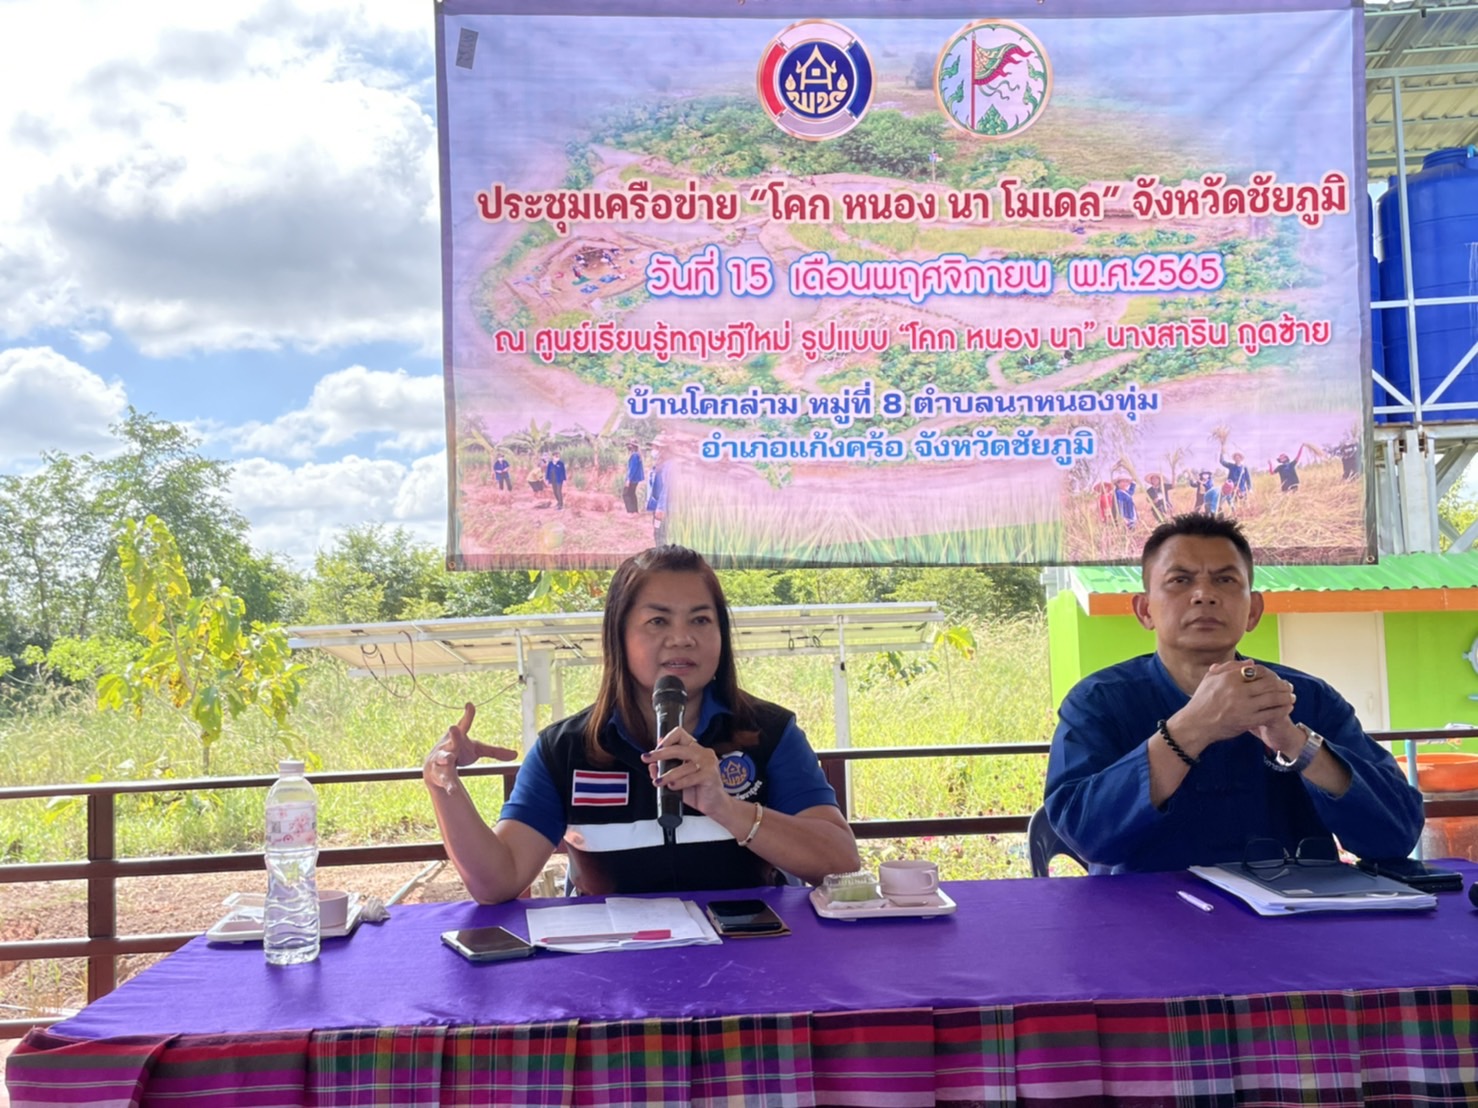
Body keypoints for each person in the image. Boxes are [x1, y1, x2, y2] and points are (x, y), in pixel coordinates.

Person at [422, 545, 860, 902]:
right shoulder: (565, 749)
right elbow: (498, 881)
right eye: (657, 620)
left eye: (701, 620)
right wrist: (444, 784)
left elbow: (839, 860)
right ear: (619, 634)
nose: (682, 637)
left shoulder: (769, 733)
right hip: (611, 978)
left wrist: (729, 809)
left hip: (751, 964)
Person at [1042, 514, 1422, 873]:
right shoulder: (1099, 701)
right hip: (1146, 926)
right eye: (1180, 580)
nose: (1204, 595)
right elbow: (1084, 834)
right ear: (1145, 610)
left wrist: (1294, 742)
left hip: (1292, 925)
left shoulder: (1306, 697)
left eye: (1225, 581)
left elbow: (1396, 834)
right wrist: (1192, 728)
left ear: (1253, 610)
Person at [646, 455, 669, 544]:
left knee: (661, 533)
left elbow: (667, 487)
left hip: (663, 507)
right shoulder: (659, 465)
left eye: (656, 447)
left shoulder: (668, 466)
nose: (653, 450)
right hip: (657, 505)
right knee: (657, 531)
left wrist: (661, 507)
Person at [623, 442, 644, 514]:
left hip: (633, 478)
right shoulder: (637, 455)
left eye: (629, 445)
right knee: (632, 494)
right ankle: (635, 511)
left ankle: (630, 511)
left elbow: (633, 468)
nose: (628, 446)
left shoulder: (634, 456)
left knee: (626, 494)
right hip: (635, 478)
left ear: (633, 446)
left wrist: (629, 479)